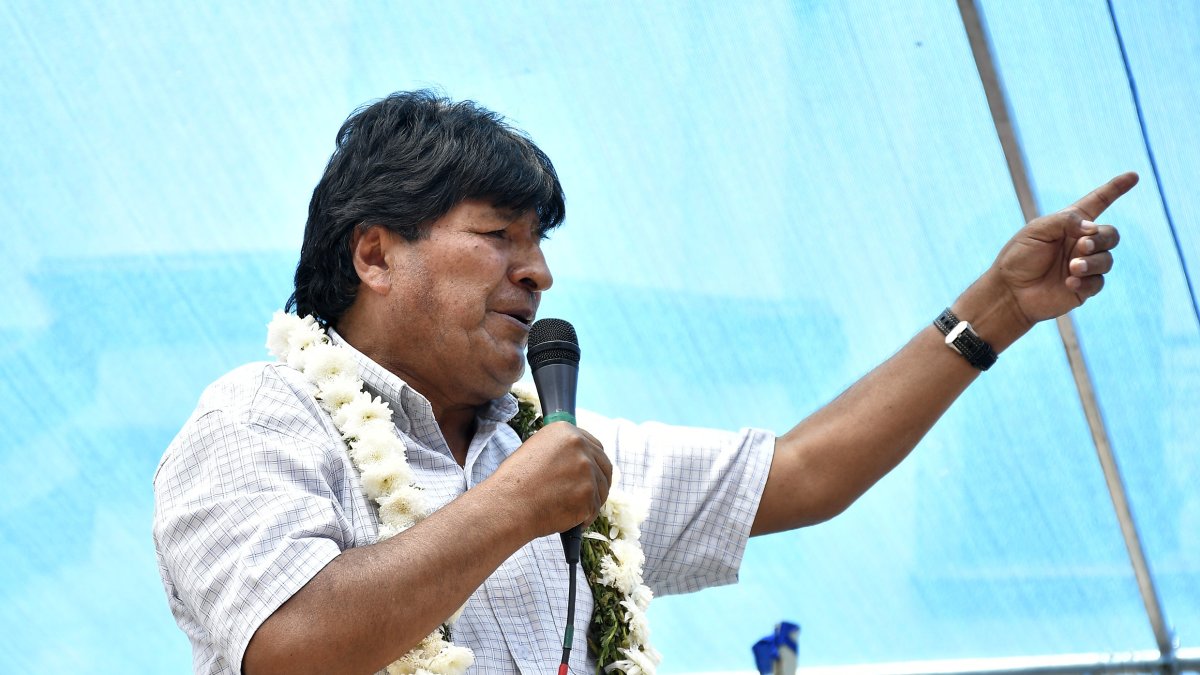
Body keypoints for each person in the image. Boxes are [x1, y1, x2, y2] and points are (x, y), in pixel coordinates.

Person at [152, 90, 1136, 675]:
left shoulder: (547, 453)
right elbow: (286, 646)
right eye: (498, 239)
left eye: (538, 247)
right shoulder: (260, 421)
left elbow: (803, 473)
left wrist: (997, 309)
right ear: (374, 255)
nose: (537, 274)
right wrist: (509, 510)